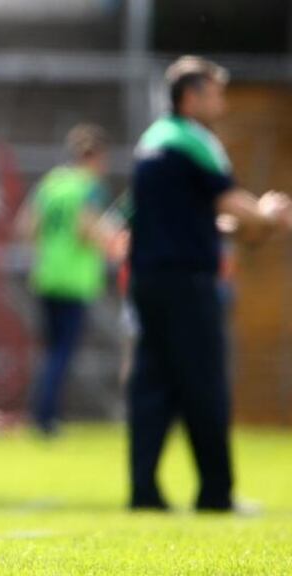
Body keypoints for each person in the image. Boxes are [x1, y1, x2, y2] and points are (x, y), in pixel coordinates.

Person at [127, 56, 290, 512]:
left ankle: (144, 490)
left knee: (152, 384)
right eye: (215, 92)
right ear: (190, 96)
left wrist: (244, 223)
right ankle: (215, 493)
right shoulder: (195, 141)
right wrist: (268, 213)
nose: (221, 101)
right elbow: (231, 201)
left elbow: (194, 219)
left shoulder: (151, 142)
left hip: (149, 279)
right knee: (204, 384)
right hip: (188, 282)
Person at [16, 124, 124, 435]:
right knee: (62, 351)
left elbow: (27, 226)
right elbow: (84, 228)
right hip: (74, 279)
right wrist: (111, 242)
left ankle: (39, 414)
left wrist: (48, 252)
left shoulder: (52, 183)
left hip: (47, 274)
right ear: (96, 157)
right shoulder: (88, 186)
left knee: (49, 350)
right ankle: (46, 420)